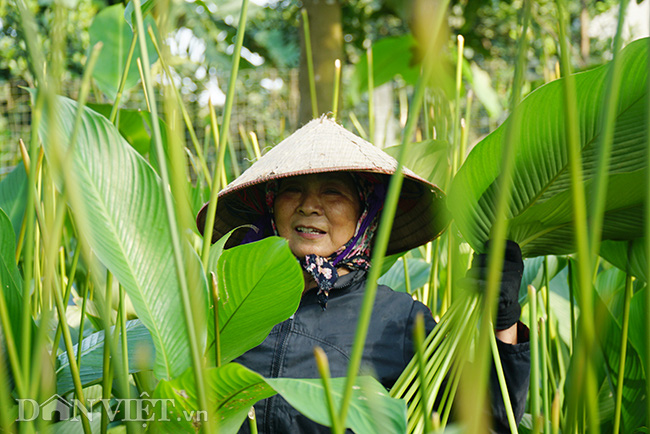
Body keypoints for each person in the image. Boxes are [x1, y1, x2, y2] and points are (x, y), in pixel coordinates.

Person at [197, 117, 530, 433]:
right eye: (292, 190)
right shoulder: (226, 306)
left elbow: (489, 422)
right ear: (271, 205)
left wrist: (503, 322)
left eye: (332, 192)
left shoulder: (398, 320)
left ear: (364, 212)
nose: (309, 205)